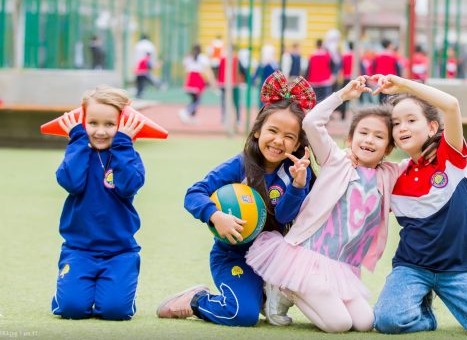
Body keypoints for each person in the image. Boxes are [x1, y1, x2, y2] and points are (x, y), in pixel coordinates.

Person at [246, 76, 408, 333]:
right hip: (307, 258)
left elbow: (419, 155)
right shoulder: (336, 160)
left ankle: (305, 292)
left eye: (379, 137)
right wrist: (342, 95)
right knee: (339, 324)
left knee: (365, 323)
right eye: (363, 133)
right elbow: (312, 122)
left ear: (389, 148)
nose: (369, 140)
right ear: (350, 138)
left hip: (343, 267)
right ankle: (285, 287)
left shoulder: (388, 174)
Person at [156, 71, 316, 327]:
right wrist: (215, 216)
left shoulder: (296, 173)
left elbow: (285, 216)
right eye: (272, 131)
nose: (278, 141)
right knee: (241, 314)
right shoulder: (240, 165)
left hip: (273, 259)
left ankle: (263, 294)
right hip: (234, 256)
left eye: (289, 137)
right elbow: (194, 193)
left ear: (298, 144)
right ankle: (196, 299)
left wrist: (298, 185)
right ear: (256, 132)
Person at [369, 74, 467, 338]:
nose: (402, 127)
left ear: (431, 128)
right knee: (387, 321)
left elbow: (451, 105)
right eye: (396, 123)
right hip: (411, 267)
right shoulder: (394, 174)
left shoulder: (450, 157)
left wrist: (404, 85)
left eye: (411, 120)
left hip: (455, 271)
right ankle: (425, 314)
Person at [51, 86, 146, 320]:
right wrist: (76, 141)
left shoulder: (128, 154)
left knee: (115, 311)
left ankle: (123, 296)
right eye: (93, 123)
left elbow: (128, 186)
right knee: (72, 309)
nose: (101, 131)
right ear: (84, 122)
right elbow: (71, 182)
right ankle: (63, 295)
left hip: (120, 252)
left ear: (122, 123)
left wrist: (123, 144)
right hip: (79, 250)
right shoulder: (78, 151)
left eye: (109, 124)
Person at [179, 44, 216, 125]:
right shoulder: (202, 58)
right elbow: (208, 71)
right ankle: (186, 111)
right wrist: (212, 82)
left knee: (194, 99)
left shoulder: (189, 57)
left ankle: (193, 117)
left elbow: (184, 65)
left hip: (190, 79)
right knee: (197, 100)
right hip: (197, 79)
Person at [218, 48, 245, 126]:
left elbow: (242, 70)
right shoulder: (231, 59)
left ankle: (234, 118)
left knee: (231, 102)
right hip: (227, 84)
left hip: (231, 84)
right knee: (229, 102)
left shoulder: (234, 59)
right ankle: (232, 118)